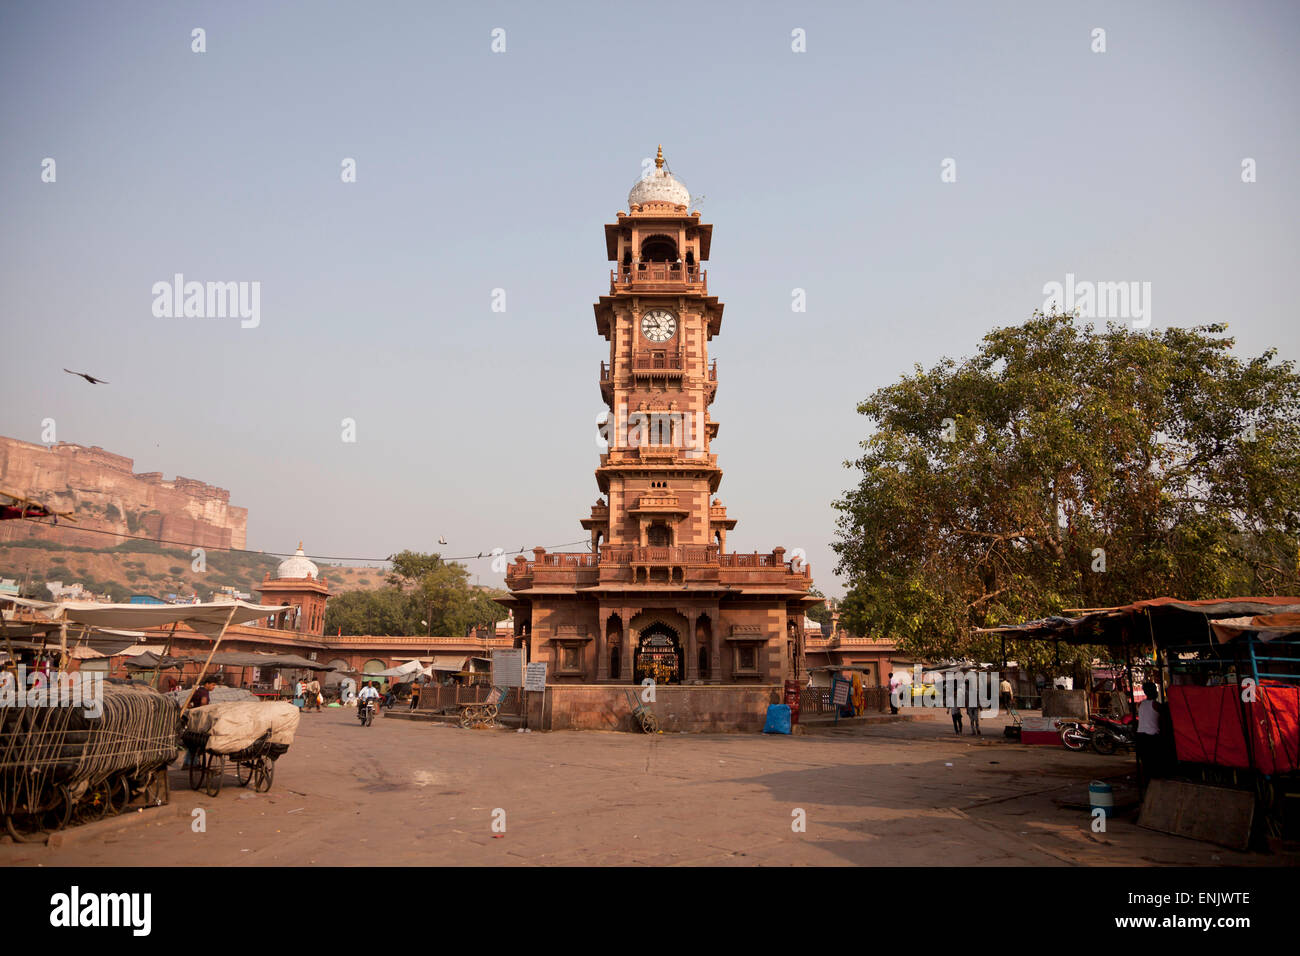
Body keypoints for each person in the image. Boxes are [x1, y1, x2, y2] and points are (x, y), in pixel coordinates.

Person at [1136, 680, 1164, 788]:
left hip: (1141, 736)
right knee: (1154, 764)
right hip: (1151, 737)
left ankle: (1148, 785)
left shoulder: (1141, 704)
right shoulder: (1156, 705)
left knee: (1146, 764)